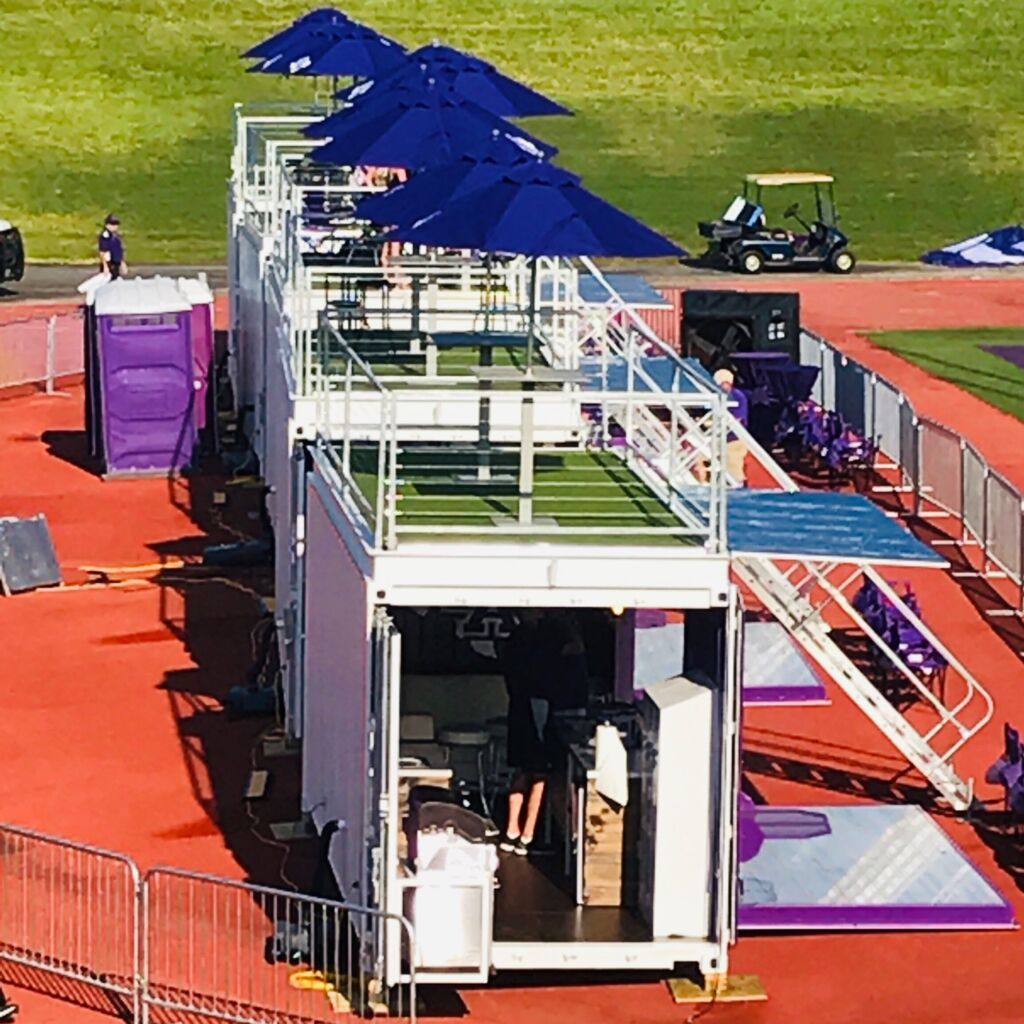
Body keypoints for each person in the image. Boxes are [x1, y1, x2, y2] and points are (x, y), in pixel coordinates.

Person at [499, 611, 588, 856]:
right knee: (541, 774)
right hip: (540, 709)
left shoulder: (515, 639)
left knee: (522, 772)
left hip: (519, 709)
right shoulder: (547, 640)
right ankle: (527, 834)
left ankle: (512, 830)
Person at [714, 366, 750, 485]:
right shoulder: (717, 397)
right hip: (720, 437)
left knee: (734, 464)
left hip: (734, 439)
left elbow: (738, 419)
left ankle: (737, 486)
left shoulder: (738, 397)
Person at [98, 213, 126, 279]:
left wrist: (122, 262)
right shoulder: (106, 236)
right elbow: (103, 252)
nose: (115, 227)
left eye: (116, 224)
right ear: (107, 225)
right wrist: (105, 266)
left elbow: (119, 250)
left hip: (116, 263)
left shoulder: (116, 236)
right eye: (113, 224)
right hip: (109, 263)